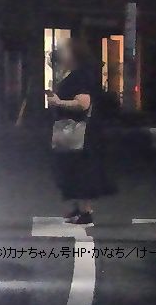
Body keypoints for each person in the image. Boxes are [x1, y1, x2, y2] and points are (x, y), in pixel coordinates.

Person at [46, 38, 113, 225]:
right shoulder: (75, 74)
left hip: (81, 132)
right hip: (77, 131)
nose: (61, 53)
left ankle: (85, 211)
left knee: (81, 169)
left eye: (65, 50)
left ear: (75, 55)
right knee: (73, 167)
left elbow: (83, 103)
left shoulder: (81, 76)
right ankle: (79, 208)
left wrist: (59, 102)